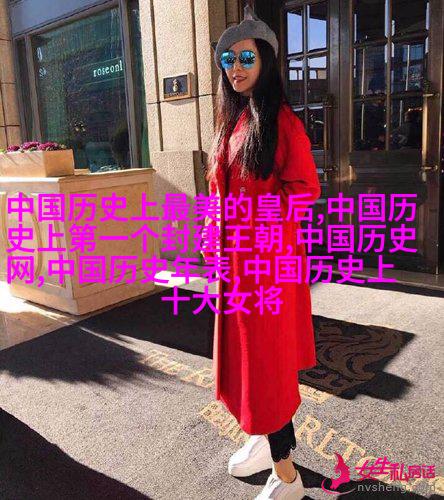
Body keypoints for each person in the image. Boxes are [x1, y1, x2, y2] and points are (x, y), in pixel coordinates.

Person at [202, 6, 321, 499]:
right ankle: (257, 437)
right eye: (228, 59)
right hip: (234, 268)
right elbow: (218, 193)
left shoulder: (282, 123)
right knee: (244, 363)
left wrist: (253, 229)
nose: (236, 67)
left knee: (267, 371)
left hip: (266, 268)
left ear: (266, 60)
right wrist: (212, 234)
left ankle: (287, 475)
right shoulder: (232, 122)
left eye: (246, 57)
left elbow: (305, 189)